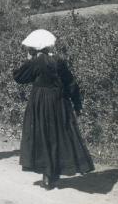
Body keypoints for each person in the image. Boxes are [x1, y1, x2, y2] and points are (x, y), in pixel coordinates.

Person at [13, 29, 94, 190]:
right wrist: (77, 104)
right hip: (59, 102)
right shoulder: (59, 62)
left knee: (43, 135)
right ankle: (54, 172)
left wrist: (28, 61)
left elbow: (18, 78)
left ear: (33, 48)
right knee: (58, 134)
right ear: (48, 46)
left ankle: (47, 175)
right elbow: (71, 84)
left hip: (40, 102)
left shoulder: (35, 62)